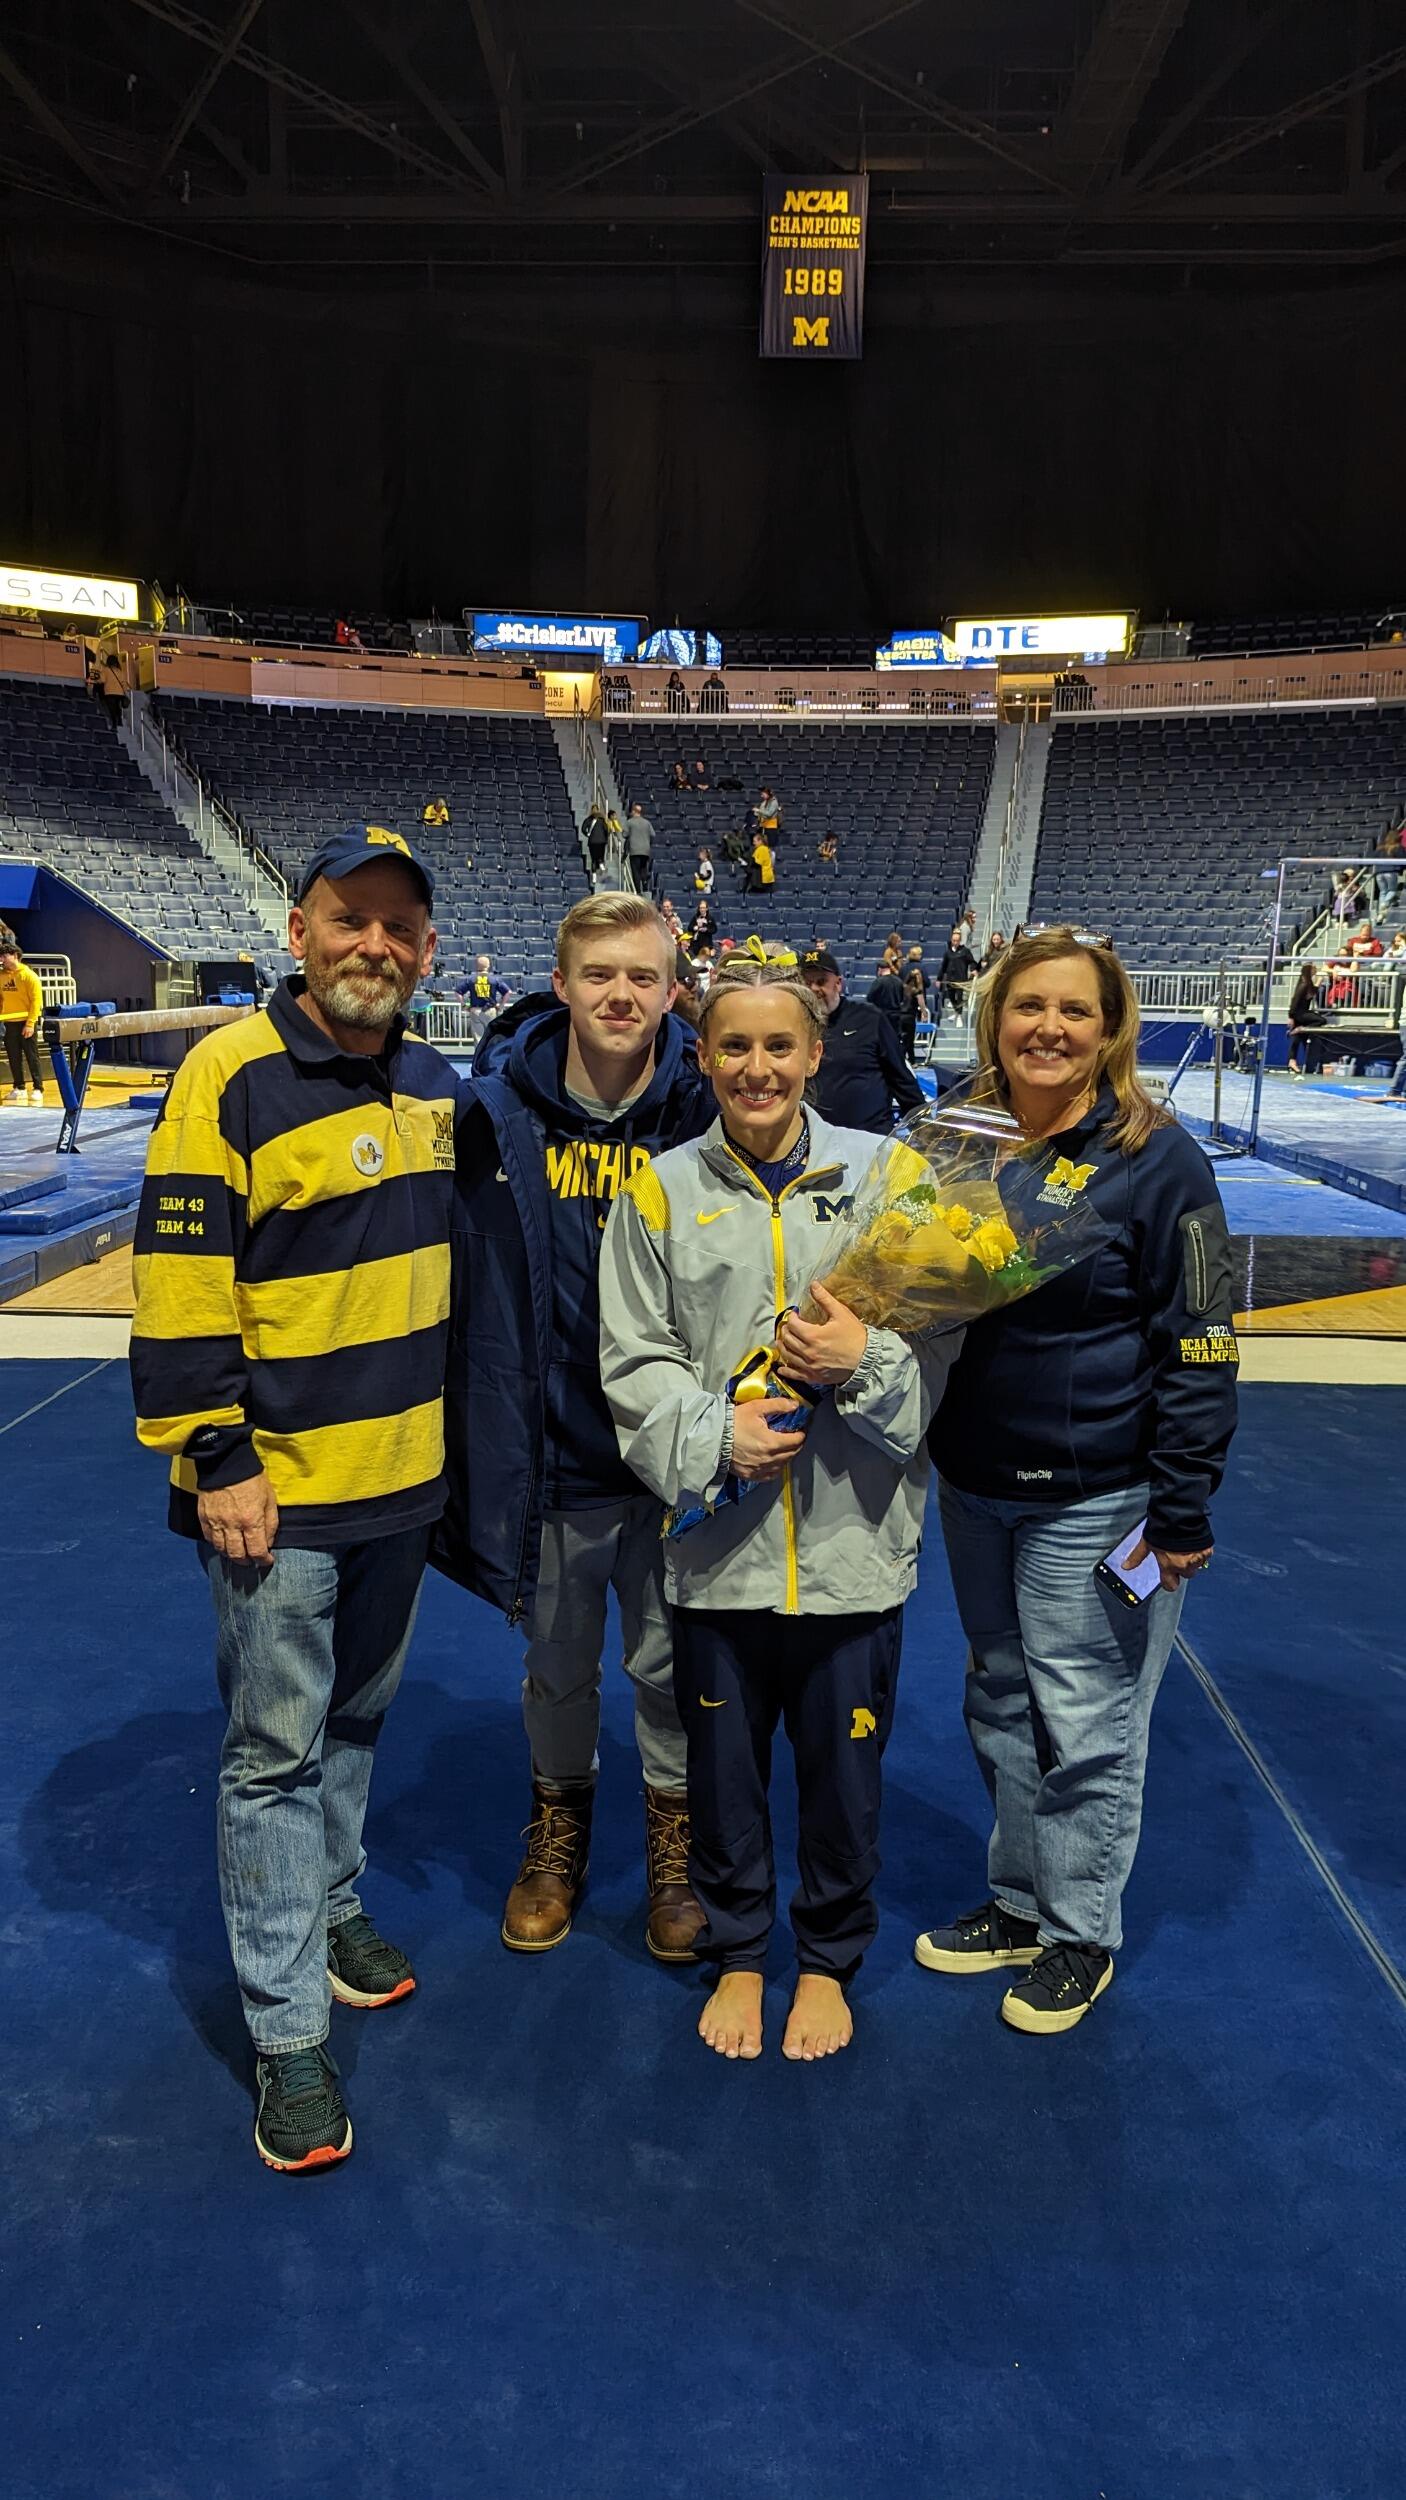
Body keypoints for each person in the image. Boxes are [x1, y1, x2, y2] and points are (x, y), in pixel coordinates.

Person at [130, 827, 455, 2172]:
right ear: (298, 932)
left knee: (359, 1722)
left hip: (403, 1484)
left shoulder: (436, 1081)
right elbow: (181, 1280)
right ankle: (284, 2041)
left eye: (398, 927)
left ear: (426, 951)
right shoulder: (231, 1072)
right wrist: (216, 1453)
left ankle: (330, 1909)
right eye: (348, 919)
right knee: (271, 1760)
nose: (373, 944)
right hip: (282, 1493)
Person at [598, 959, 958, 2062]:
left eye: (778, 1047)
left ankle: (830, 1958)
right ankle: (743, 1949)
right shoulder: (657, 1189)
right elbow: (633, 1357)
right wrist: (714, 1440)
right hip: (718, 1545)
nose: (756, 1067)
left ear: (815, 1053)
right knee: (723, 1772)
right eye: (732, 1047)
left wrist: (861, 1363)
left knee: (845, 1775)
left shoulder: (893, 1175)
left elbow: (938, 1346)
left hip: (853, 1545)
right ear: (701, 1057)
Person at [916, 928, 1238, 2035]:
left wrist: (1181, 1501)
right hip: (971, 1483)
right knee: (998, 1700)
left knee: (1086, 1721)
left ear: (1109, 1032)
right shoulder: (959, 1140)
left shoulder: (1161, 1160)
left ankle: (1078, 1931)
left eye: (1074, 1011)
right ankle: (1017, 1902)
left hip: (1095, 1496)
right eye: (1027, 1007)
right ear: (992, 1018)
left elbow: (1199, 1338)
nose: (1047, 1028)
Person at [439, 893, 714, 1962]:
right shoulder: (492, 1112)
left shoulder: (702, 1112)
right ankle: (556, 1835)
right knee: (557, 1668)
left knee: (666, 1664)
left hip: (672, 1462)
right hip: (549, 1455)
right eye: (599, 974)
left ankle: (674, 1847)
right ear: (559, 983)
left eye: (642, 977)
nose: (620, 994)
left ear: (671, 993)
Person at [800, 949, 926, 1134]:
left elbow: (902, 1080)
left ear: (838, 984)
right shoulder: (794, 1026)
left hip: (870, 1142)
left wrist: (925, 1132)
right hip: (814, 1146)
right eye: (806, 983)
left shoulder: (870, 1018)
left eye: (821, 981)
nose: (813, 989)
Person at [0, 941, 45, 1107]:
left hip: (26, 1022)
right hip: (9, 1022)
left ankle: (38, 1088)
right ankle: (19, 1087)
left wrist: (31, 1023)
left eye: (5, 956)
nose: (2, 959)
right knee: (13, 1057)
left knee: (32, 1056)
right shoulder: (1, 976)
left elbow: (36, 1002)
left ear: (15, 956)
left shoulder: (29, 976)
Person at [1286, 962, 1327, 1077]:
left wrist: (1319, 982)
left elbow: (1312, 992)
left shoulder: (1307, 983)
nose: (1316, 970)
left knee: (1297, 1039)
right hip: (1299, 1013)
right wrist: (1291, 1016)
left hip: (1302, 1012)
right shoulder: (1303, 984)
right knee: (1321, 1020)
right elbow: (1295, 1001)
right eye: (1314, 968)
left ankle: (1292, 1061)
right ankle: (1301, 1029)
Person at [459, 953, 510, 1041]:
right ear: (488, 965)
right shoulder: (494, 979)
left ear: (477, 965)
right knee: (490, 1036)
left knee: (478, 1038)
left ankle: (479, 1054)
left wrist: (464, 1005)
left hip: (476, 1010)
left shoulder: (471, 979)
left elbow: (457, 992)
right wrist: (501, 1006)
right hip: (490, 1010)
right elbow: (508, 992)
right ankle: (489, 1054)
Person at [939, 925, 979, 1021]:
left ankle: (959, 1015)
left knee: (960, 997)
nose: (955, 942)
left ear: (960, 940)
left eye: (957, 940)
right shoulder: (947, 953)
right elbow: (943, 966)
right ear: (951, 940)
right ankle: (957, 1012)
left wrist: (973, 969)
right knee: (952, 997)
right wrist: (939, 979)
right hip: (950, 979)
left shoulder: (965, 951)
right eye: (954, 940)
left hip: (961, 978)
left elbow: (972, 962)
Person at [867, 956, 908, 1041]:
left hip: (883, 1016)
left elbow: (869, 998)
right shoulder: (899, 981)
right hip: (897, 1016)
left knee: (883, 1041)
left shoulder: (879, 981)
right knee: (895, 1040)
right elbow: (902, 998)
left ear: (879, 970)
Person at [901, 947, 928, 1062]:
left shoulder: (903, 970)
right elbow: (921, 997)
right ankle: (911, 1061)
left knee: (901, 1039)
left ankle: (901, 1060)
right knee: (909, 1039)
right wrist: (924, 1012)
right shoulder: (916, 989)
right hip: (910, 1013)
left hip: (900, 1012)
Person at [625, 801, 655, 895]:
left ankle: (638, 891)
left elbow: (624, 834)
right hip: (645, 850)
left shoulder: (629, 822)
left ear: (634, 811)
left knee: (635, 871)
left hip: (634, 850)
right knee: (643, 869)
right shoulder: (647, 822)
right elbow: (653, 834)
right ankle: (645, 886)